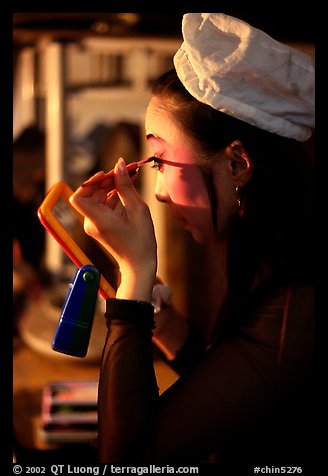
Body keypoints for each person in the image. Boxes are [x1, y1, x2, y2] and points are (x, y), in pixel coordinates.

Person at [69, 13, 315, 469]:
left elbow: (128, 460)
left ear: (238, 164)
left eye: (160, 161)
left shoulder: (298, 304)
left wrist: (136, 279)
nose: (158, 191)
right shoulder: (274, 261)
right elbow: (230, 385)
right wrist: (160, 317)